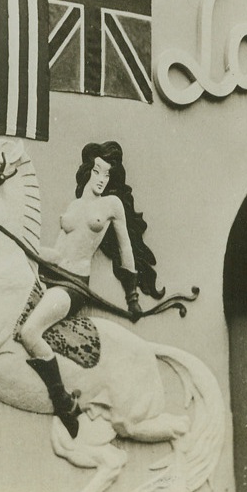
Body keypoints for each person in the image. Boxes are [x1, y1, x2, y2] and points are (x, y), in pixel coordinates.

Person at [20, 141, 163, 438]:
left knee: (30, 333)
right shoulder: (74, 207)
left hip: (73, 286)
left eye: (107, 175)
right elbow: (58, 253)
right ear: (87, 171)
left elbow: (126, 248)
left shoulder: (111, 206)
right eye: (97, 171)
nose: (101, 178)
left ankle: (63, 404)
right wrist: (29, 248)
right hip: (52, 275)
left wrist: (133, 295)